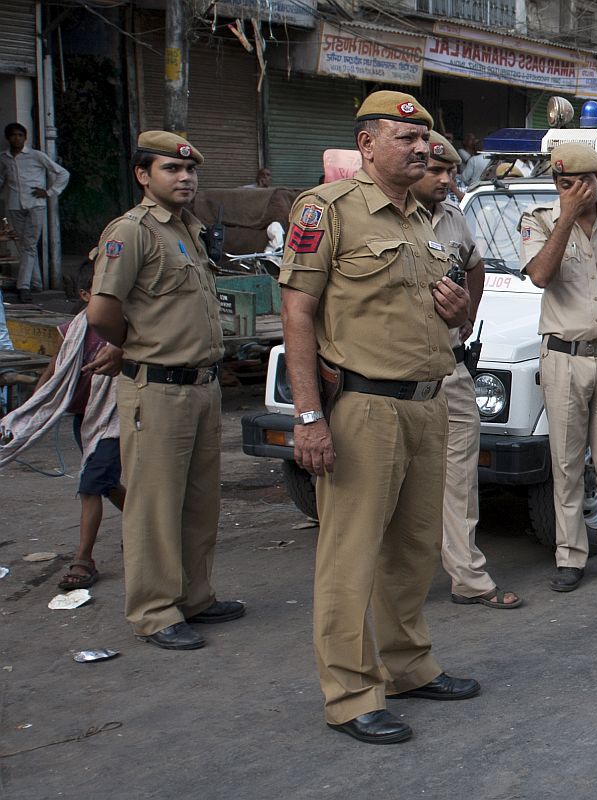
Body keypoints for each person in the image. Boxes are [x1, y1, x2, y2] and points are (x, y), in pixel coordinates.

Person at [278, 91, 476, 746]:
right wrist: (308, 416)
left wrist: (460, 313)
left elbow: (457, 310)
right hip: (362, 407)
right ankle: (351, 693)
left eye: (424, 140)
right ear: (366, 144)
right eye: (404, 137)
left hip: (428, 402)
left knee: (414, 550)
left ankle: (409, 664)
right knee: (351, 555)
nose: (421, 149)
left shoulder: (427, 218)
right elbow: (298, 313)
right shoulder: (326, 210)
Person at [87, 131, 244, 651]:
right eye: (171, 170)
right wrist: (134, 344)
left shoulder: (188, 231)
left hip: (201, 386)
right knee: (155, 506)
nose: (184, 178)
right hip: (157, 389)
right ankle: (155, 611)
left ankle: (194, 596)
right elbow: (103, 311)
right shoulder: (130, 232)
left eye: (189, 171)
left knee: (199, 503)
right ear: (143, 176)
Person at [520, 142, 597, 593]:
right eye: (565, 184)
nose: (575, 190)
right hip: (564, 358)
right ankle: (569, 555)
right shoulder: (539, 221)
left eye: (584, 182)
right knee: (567, 463)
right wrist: (566, 216)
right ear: (556, 184)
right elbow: (541, 275)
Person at [414, 131, 520, 609]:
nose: (446, 180)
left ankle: (467, 575)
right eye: (436, 170)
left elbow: (473, 266)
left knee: (460, 479)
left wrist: (467, 313)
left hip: (452, 368)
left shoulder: (454, 218)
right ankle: (394, 581)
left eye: (452, 171)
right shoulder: (383, 219)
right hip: (393, 377)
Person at [7, 259, 126, 590]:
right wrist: (33, 407)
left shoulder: (124, 327)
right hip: (82, 417)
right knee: (105, 482)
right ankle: (144, 526)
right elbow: (54, 371)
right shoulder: (71, 331)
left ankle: (84, 560)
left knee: (90, 485)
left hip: (112, 417)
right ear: (85, 294)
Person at [0, 122, 70, 303]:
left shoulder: (36, 156)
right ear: (8, 138)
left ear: (25, 138)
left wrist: (49, 192)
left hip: (35, 204)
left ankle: (24, 286)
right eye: (13, 135)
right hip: (15, 204)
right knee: (26, 245)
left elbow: (62, 173)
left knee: (29, 245)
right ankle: (37, 282)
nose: (17, 138)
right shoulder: (4, 158)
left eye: (20, 135)